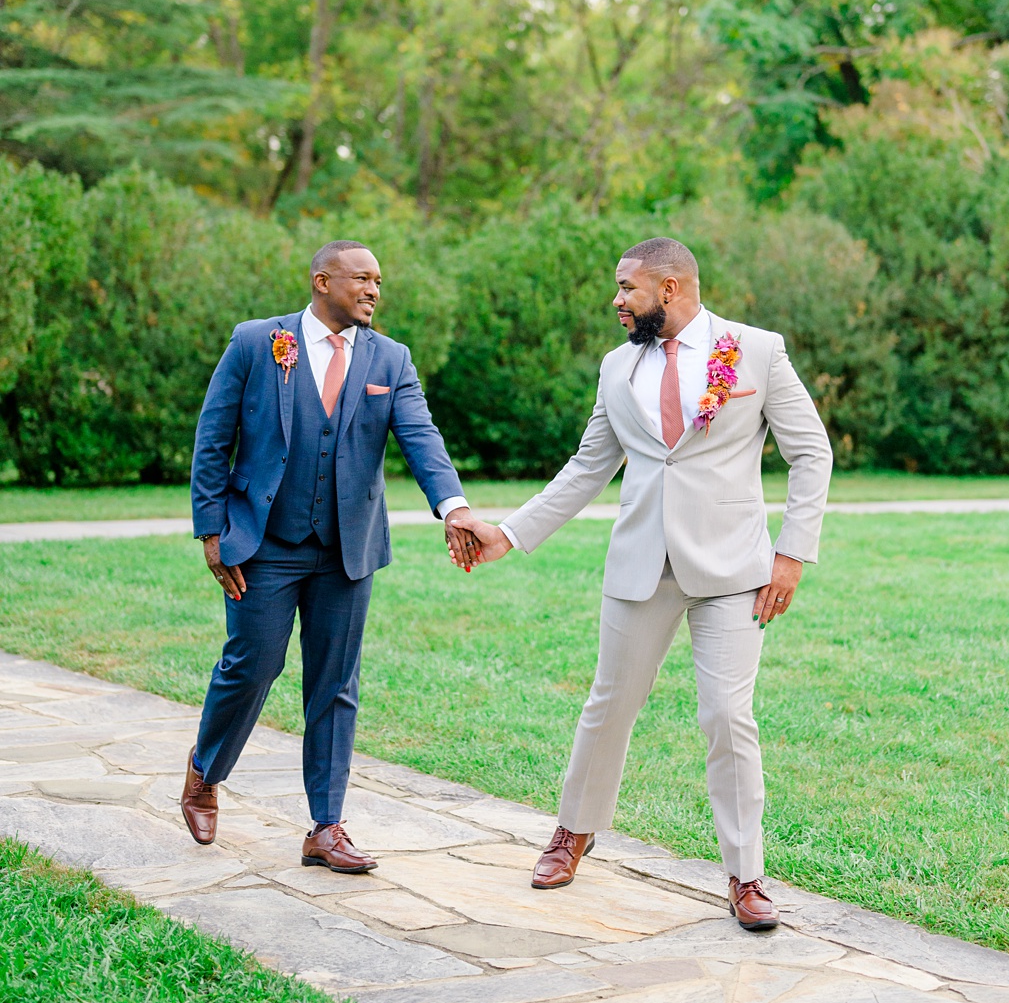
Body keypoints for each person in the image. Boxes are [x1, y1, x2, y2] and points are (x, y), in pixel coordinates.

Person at [451, 236, 833, 933]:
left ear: (671, 287)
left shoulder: (757, 349)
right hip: (640, 566)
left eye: (627, 287)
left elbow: (812, 452)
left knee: (727, 717)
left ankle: (747, 876)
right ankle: (573, 832)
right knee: (609, 705)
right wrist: (509, 532)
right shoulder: (615, 367)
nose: (617, 300)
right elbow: (588, 466)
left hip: (733, 572)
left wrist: (792, 554)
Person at [184, 240, 496, 871]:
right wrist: (212, 533)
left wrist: (454, 508)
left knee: (336, 685)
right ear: (322, 281)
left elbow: (421, 437)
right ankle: (203, 774)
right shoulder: (256, 342)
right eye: (362, 279)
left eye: (379, 280)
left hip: (348, 551)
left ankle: (325, 828)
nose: (374, 290)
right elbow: (214, 437)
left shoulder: (391, 357)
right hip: (263, 544)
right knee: (251, 666)